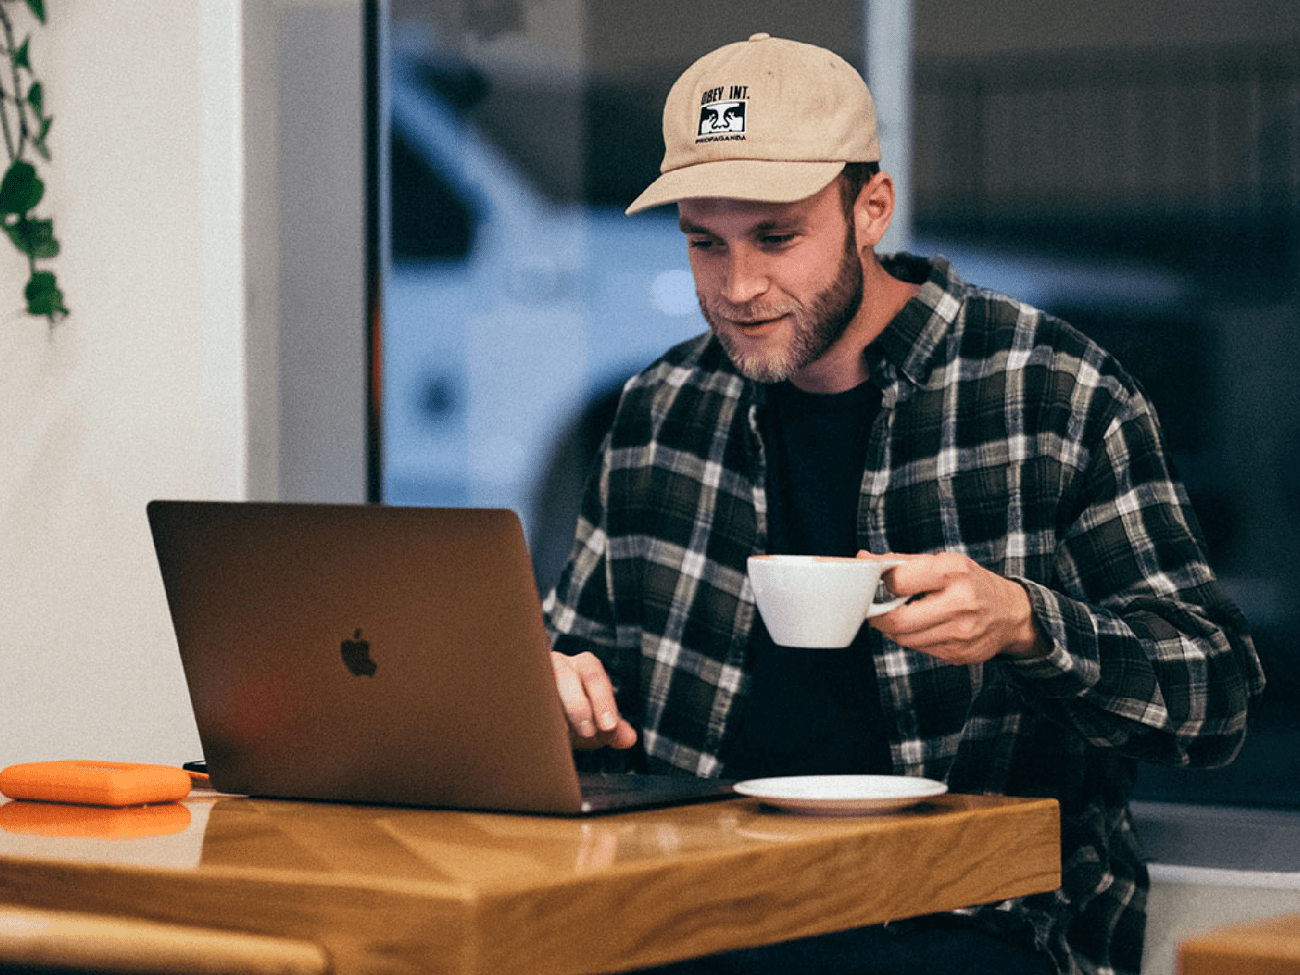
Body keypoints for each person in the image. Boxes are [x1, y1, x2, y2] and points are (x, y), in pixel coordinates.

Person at [543, 33, 1264, 975]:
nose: (738, 287)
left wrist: (1026, 623)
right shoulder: (661, 409)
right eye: (703, 242)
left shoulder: (1051, 393)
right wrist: (556, 693)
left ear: (870, 209)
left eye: (776, 237)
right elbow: (576, 667)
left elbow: (1215, 700)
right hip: (702, 902)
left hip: (968, 919)